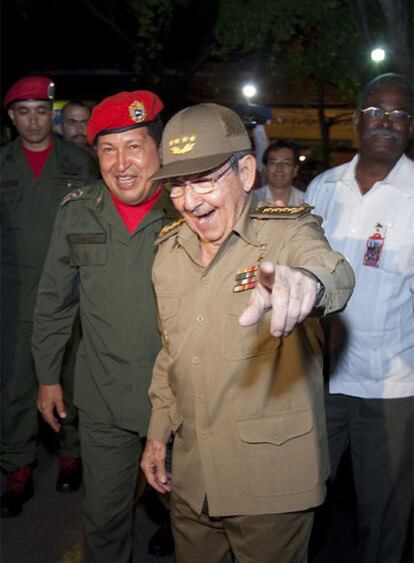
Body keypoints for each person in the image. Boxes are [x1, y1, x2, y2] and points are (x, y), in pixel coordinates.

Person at [140, 103, 355, 563]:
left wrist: (310, 285)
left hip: (270, 484)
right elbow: (170, 354)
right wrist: (158, 433)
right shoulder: (168, 253)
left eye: (203, 179)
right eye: (176, 184)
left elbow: (329, 268)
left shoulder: (285, 231)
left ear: (245, 170)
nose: (189, 200)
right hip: (192, 480)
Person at [32, 90, 176, 563]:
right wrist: (48, 375)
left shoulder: (188, 211)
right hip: (104, 397)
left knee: (197, 519)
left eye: (134, 146)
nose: (121, 163)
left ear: (160, 149)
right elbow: (54, 299)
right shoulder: (78, 211)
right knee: (104, 521)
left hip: (180, 401)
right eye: (108, 150)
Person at [306, 73, 414, 563]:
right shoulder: (323, 188)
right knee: (299, 501)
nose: (385, 122)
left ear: (410, 126)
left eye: (396, 114)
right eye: (375, 112)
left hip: (391, 387)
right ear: (356, 121)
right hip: (319, 382)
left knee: (383, 518)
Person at [0, 75, 98, 518]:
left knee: (72, 377)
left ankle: (70, 454)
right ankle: (16, 465)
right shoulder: (1, 164)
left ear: (52, 115)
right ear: (11, 117)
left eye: (42, 111)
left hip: (70, 292)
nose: (33, 120)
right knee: (15, 383)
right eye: (23, 112)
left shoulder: (80, 162)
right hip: (15, 294)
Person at [255, 139, 304, 205]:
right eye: (273, 162)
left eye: (286, 163)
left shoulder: (307, 202)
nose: (279, 168)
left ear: (295, 170)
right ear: (266, 169)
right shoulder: (250, 201)